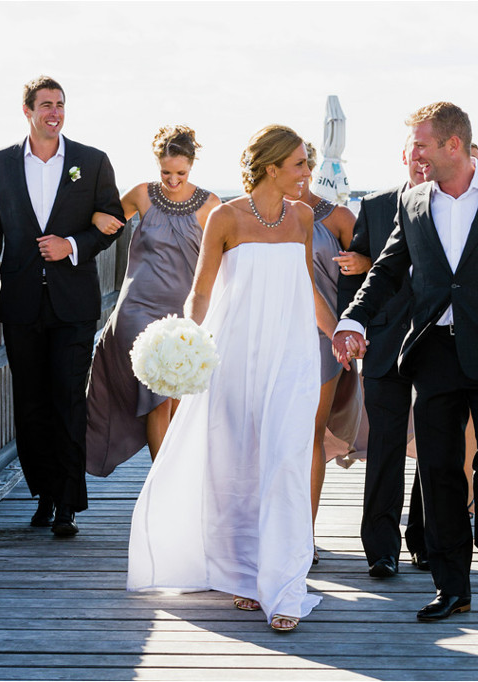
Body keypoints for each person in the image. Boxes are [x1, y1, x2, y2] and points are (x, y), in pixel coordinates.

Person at [333, 102, 478, 620]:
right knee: (438, 469)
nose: (415, 155)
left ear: (453, 145)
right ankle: (452, 586)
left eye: (422, 144)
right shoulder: (412, 201)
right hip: (431, 353)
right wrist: (354, 319)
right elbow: (387, 270)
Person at [128, 125, 329, 632]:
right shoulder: (225, 217)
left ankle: (284, 586)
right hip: (236, 356)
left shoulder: (303, 217)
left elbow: (307, 286)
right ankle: (243, 573)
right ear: (271, 168)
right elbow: (200, 292)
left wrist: (341, 332)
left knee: (285, 460)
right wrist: (184, 343)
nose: (307, 173)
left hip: (292, 355)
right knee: (237, 464)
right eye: (300, 164)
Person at [0, 76, 125, 537]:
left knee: (68, 401)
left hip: (73, 304)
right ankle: (43, 493)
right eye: (45, 105)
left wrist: (72, 245)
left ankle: (67, 504)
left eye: (60, 104)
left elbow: (113, 221)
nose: (54, 112)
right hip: (20, 303)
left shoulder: (91, 162)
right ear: (27, 111)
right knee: (31, 404)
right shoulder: (0, 164)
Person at [85, 126, 220, 474]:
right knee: (159, 399)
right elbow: (105, 221)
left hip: (185, 313)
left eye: (180, 174)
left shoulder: (211, 206)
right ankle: (164, 482)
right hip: (138, 310)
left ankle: (172, 476)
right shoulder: (141, 195)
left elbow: (224, 261)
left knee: (176, 400)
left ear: (192, 165)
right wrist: (96, 216)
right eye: (166, 172)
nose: (172, 181)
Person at [335, 138, 428, 578]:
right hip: (384, 340)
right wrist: (353, 327)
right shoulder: (374, 206)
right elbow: (353, 275)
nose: (421, 161)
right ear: (403, 156)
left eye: (428, 151)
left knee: (434, 445)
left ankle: (424, 541)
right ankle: (381, 550)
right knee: (385, 445)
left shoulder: (454, 203)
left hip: (437, 340)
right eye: (414, 152)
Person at [289, 141, 360, 563]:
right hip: (277, 332)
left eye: (304, 165)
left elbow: (373, 273)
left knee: (309, 434)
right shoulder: (265, 215)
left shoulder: (339, 217)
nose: (300, 174)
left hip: (322, 336)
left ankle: (304, 534)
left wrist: (362, 261)